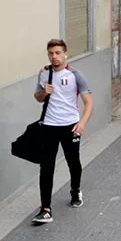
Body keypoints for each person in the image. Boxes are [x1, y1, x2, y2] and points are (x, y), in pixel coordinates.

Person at [30, 38, 93, 225]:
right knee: (46, 167)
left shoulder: (75, 75)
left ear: (65, 54)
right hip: (49, 126)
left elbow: (88, 102)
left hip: (70, 126)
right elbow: (38, 98)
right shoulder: (44, 74)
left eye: (57, 53)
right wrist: (44, 92)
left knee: (73, 162)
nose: (54, 56)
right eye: (51, 53)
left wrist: (82, 123)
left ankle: (75, 190)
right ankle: (45, 209)